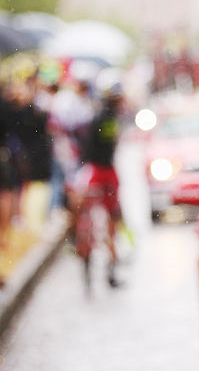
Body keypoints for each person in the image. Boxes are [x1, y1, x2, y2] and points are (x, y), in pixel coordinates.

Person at [69, 78, 125, 288]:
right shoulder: (108, 118)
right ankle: (109, 265)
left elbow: (88, 147)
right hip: (105, 173)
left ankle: (81, 244)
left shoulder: (96, 117)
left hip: (92, 172)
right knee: (113, 219)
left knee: (84, 214)